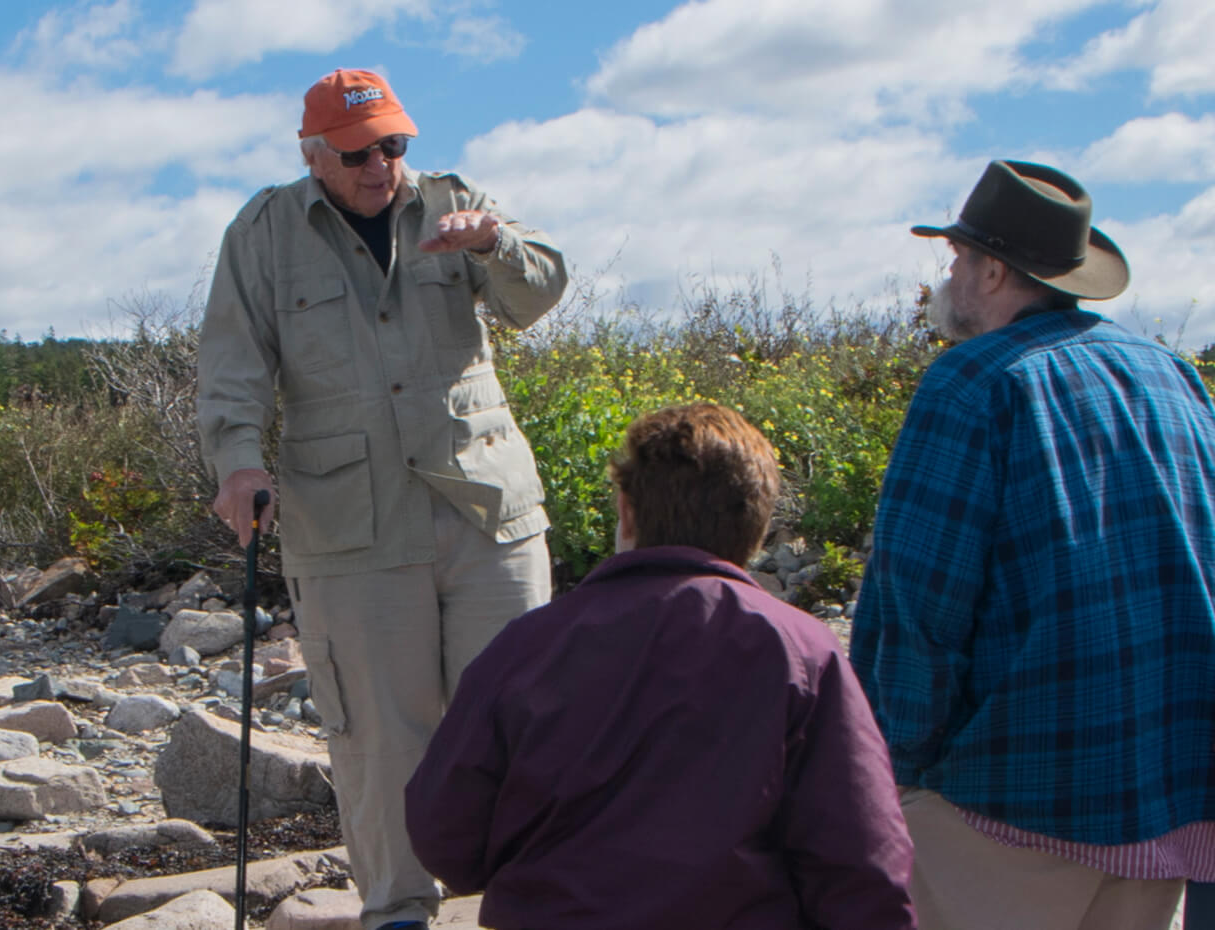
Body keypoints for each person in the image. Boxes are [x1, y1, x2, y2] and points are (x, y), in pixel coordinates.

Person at [196, 68, 567, 929]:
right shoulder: (262, 231)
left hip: (487, 513)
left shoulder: (455, 200)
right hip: (350, 530)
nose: (382, 167)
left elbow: (539, 294)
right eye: (361, 153)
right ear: (314, 155)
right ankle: (399, 910)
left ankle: (524, 904)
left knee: (519, 722)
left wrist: (492, 245)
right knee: (379, 741)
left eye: (395, 145)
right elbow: (233, 364)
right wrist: (239, 464)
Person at [851, 160, 1215, 930]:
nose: (946, 276)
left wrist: (890, 771)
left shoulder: (972, 383)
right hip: (1171, 790)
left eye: (955, 257)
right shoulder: (1175, 376)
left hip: (1016, 796)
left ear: (990, 269)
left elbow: (917, 606)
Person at [405, 403, 917, 929]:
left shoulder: (527, 646)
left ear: (627, 511)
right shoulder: (803, 651)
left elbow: (443, 834)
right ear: (758, 527)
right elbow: (864, 858)